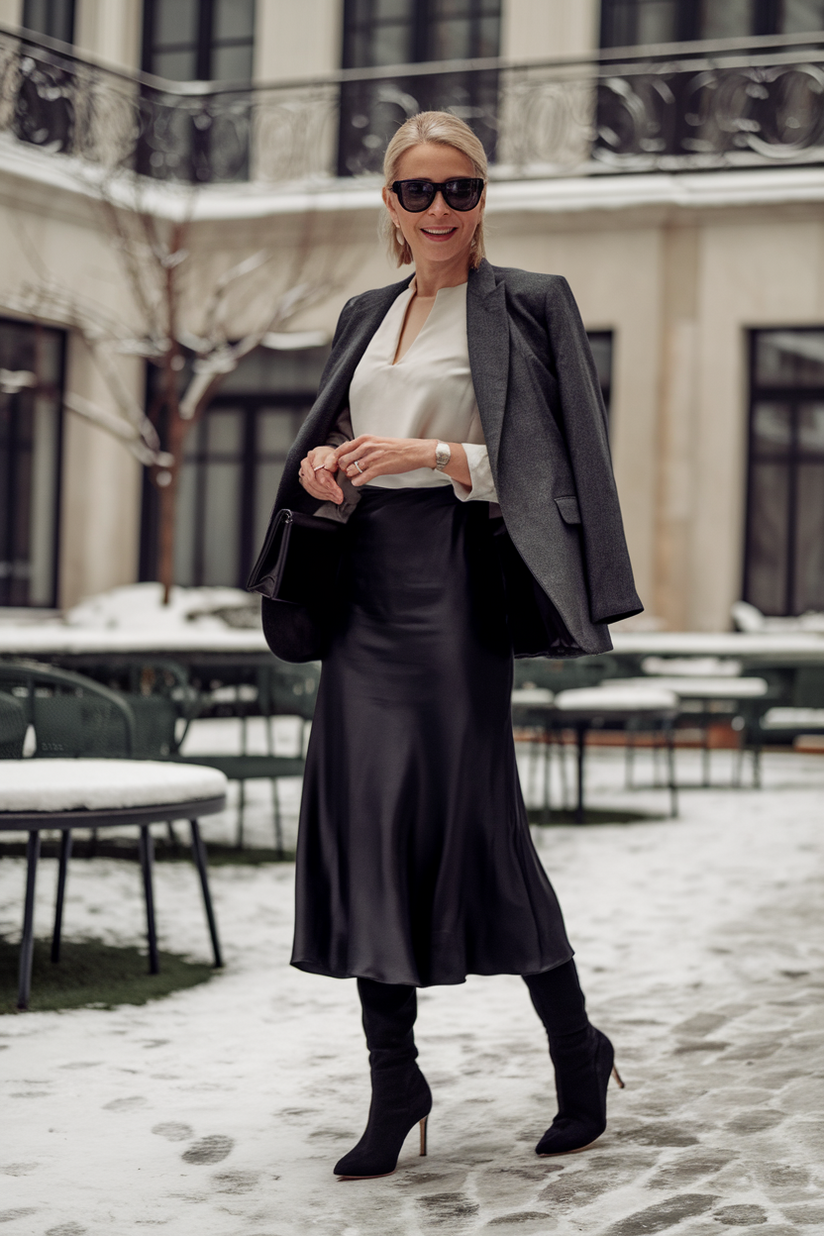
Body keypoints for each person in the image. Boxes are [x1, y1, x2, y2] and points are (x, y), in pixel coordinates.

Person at [260, 111, 642, 1180]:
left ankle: (576, 1049)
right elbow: (330, 439)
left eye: (459, 190)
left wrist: (436, 452)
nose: (438, 210)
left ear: (483, 199)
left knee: (474, 821)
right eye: (417, 191)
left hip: (457, 583)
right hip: (362, 590)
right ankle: (394, 1082)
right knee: (362, 816)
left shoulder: (527, 303)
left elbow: (565, 468)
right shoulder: (362, 313)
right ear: (387, 203)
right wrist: (323, 468)